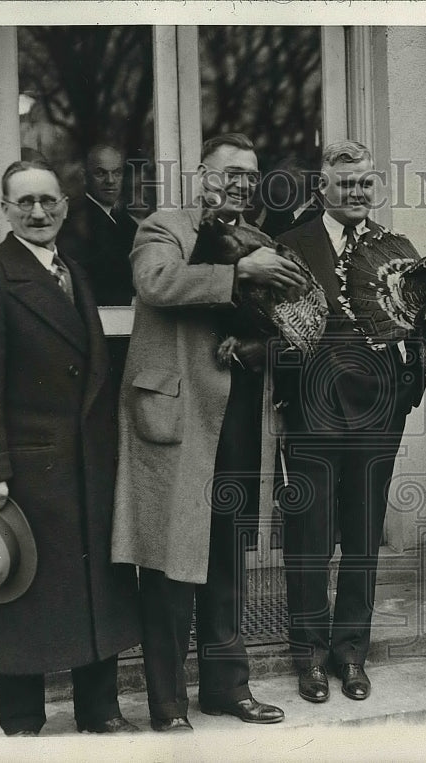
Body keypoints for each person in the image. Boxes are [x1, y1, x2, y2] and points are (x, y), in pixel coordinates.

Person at [0, 159, 141, 736]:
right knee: (18, 592)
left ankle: (100, 711)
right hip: (23, 474)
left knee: (95, 590)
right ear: (4, 210)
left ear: (65, 206)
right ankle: (22, 723)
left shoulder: (74, 271)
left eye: (48, 200)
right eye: (23, 202)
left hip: (88, 466)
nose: (38, 212)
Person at [111, 133, 299, 731]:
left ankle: (226, 688)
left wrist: (257, 345)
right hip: (178, 416)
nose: (242, 182)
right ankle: (166, 705)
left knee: (227, 561)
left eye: (251, 174)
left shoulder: (262, 241)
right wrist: (239, 271)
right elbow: (157, 283)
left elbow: (287, 325)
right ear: (202, 175)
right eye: (232, 172)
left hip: (238, 417)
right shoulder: (164, 227)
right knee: (169, 561)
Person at [274, 140, 425, 703]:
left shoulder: (397, 248)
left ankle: (351, 655)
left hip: (379, 411)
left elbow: (419, 323)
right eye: (345, 185)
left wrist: (408, 389)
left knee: (364, 536)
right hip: (314, 411)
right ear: (322, 191)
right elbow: (275, 324)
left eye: (364, 184)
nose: (356, 193)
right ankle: (310, 656)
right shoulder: (291, 246)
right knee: (309, 538)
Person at [58, 144, 140, 402]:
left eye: (117, 173)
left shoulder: (124, 220)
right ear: (85, 176)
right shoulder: (77, 223)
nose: (110, 181)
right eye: (100, 173)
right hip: (100, 339)